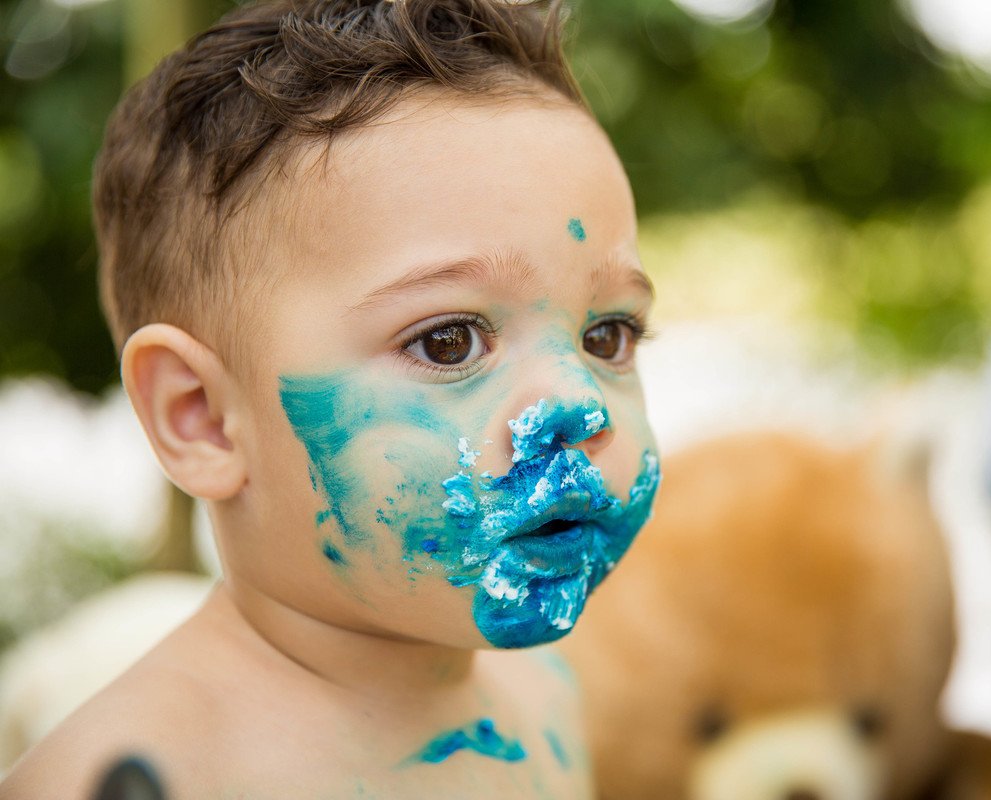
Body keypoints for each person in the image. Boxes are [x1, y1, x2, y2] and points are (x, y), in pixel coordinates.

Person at [0, 0, 660, 797]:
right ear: (201, 418)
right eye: (448, 341)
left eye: (608, 335)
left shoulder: (549, 699)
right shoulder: (134, 777)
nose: (579, 404)